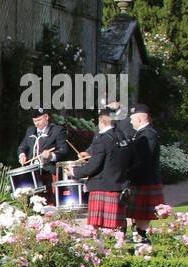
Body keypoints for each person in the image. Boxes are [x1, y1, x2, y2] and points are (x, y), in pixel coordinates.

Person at [72, 105, 133, 233]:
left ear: (101, 120)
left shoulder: (102, 139)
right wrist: (90, 154)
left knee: (97, 230)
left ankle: (100, 251)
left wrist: (74, 172)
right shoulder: (123, 137)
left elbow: (94, 166)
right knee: (116, 229)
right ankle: (117, 249)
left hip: (102, 186)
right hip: (119, 186)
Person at [121, 103, 165, 241]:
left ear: (139, 119)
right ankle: (140, 238)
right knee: (140, 216)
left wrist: (127, 173)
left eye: (132, 119)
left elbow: (144, 162)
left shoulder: (148, 135)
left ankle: (143, 241)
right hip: (142, 180)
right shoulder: (143, 134)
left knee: (142, 217)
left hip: (145, 180)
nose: (131, 122)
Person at [17, 107, 69, 200]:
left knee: (50, 202)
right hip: (32, 172)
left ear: (46, 117)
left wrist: (51, 156)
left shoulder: (57, 130)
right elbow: (22, 147)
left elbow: (64, 150)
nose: (37, 123)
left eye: (39, 120)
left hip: (48, 171)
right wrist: (22, 155)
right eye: (34, 121)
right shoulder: (30, 130)